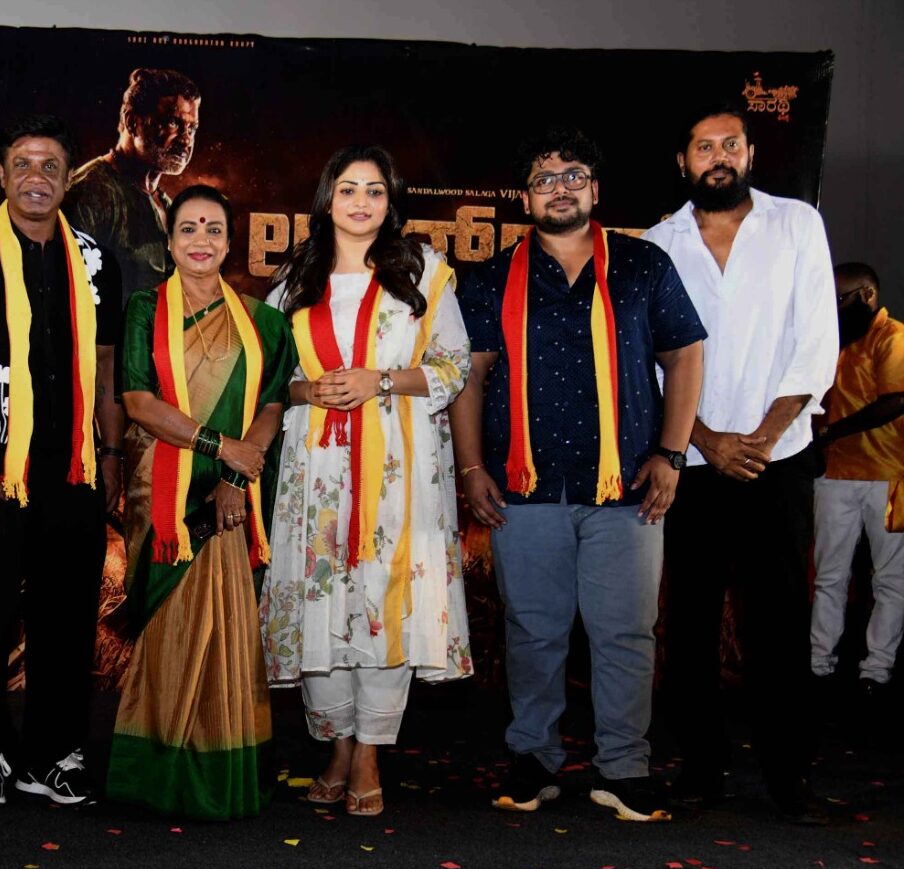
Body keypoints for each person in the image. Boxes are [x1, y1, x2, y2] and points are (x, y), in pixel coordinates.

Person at [451, 128, 706, 822]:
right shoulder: (490, 277)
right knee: (533, 631)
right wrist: (470, 466)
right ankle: (533, 757)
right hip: (523, 487)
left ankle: (623, 767)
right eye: (544, 178)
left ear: (594, 189)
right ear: (524, 198)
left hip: (627, 488)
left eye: (572, 176)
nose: (558, 187)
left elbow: (685, 355)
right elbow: (470, 376)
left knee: (626, 633)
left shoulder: (642, 265)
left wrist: (673, 453)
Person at [263, 145, 474, 817]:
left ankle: (370, 751)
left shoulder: (423, 271)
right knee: (321, 599)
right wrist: (310, 389)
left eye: (375, 190)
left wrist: (378, 380)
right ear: (327, 198)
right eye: (348, 188)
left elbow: (453, 367)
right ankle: (336, 743)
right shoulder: (294, 278)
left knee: (384, 597)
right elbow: (269, 381)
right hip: (316, 471)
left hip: (399, 470)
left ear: (391, 201)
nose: (361, 201)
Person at [644, 104, 838, 823]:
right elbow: (651, 362)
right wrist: (706, 440)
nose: (718, 156)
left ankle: (790, 777)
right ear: (683, 162)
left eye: (731, 144)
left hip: (777, 459)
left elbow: (817, 340)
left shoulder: (797, 225)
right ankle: (701, 770)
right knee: (689, 623)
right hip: (692, 464)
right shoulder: (658, 243)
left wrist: (761, 435)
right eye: (704, 147)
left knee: (779, 623)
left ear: (751, 153)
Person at [0, 114, 125, 809]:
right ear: (2, 175)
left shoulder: (96, 261)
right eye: (23, 164)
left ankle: (53, 755)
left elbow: (106, 369)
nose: (37, 178)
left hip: (73, 473)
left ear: (68, 178)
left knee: (66, 619)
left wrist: (110, 454)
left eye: (50, 166)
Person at [106, 184, 295, 820]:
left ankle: (222, 770)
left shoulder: (264, 322)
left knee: (226, 629)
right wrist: (219, 446)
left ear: (230, 241)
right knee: (171, 627)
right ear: (169, 240)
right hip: (163, 497)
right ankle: (157, 773)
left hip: (230, 496)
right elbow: (138, 402)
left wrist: (235, 476)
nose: (201, 240)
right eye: (188, 228)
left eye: (214, 229)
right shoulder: (143, 310)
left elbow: (271, 405)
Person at [810, 263, 904, 697]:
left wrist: (832, 431)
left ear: (868, 295)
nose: (833, 308)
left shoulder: (892, 336)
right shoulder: (832, 340)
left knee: (889, 579)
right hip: (835, 475)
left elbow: (895, 400)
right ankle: (819, 664)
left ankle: (876, 669)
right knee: (829, 576)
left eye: (840, 299)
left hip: (888, 475)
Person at [68, 68, 202, 301]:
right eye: (173, 123)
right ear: (132, 122)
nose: (186, 139)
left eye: (191, 128)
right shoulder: (89, 192)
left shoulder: (166, 205)